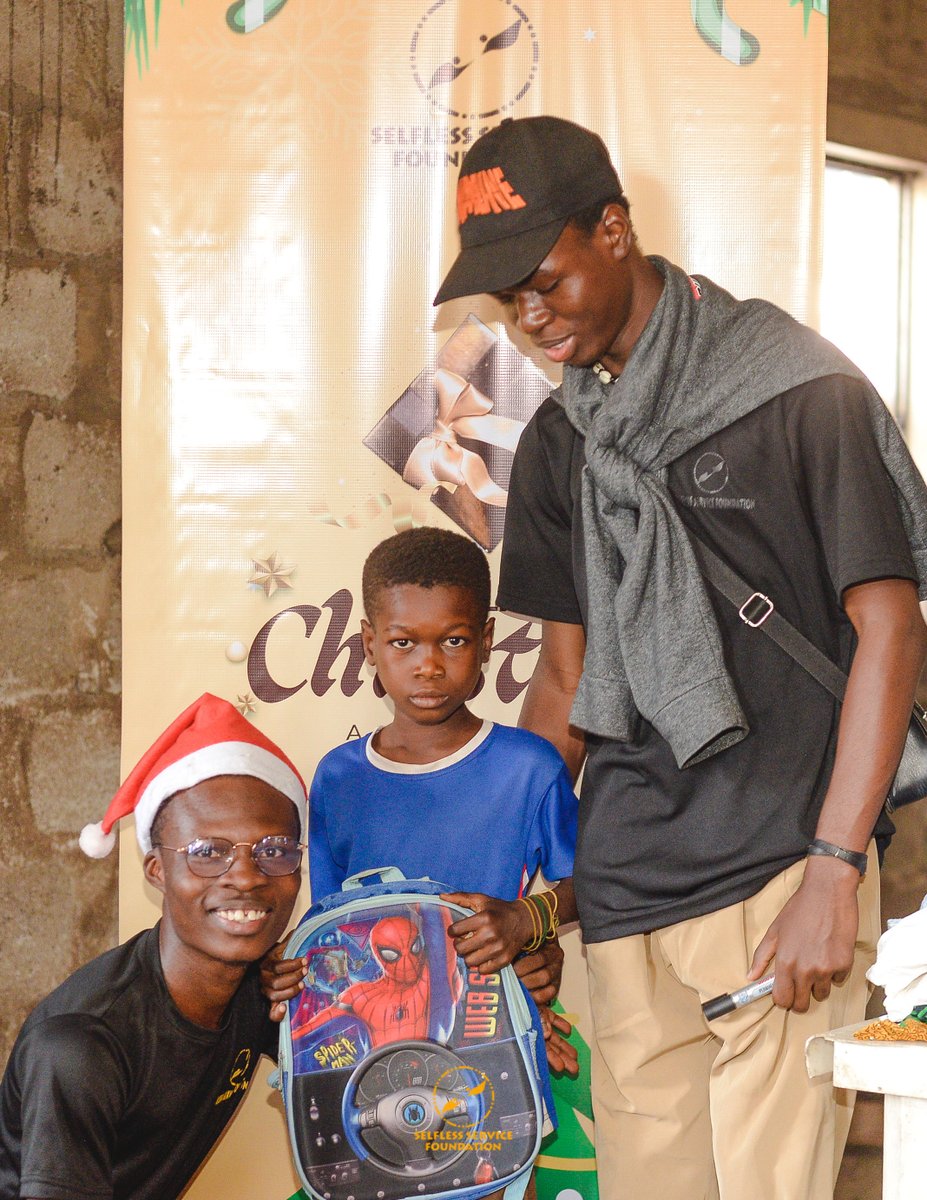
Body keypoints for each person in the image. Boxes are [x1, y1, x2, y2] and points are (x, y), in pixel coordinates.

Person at [433, 115, 927, 1200]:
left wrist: (836, 872)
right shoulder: (564, 444)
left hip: (778, 874)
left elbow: (892, 629)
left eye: (543, 278)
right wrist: (524, 889)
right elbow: (564, 679)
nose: (527, 315)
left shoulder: (796, 387)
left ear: (612, 228)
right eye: (504, 297)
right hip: (626, 896)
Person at [269, 526, 580, 1073]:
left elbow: (591, 883)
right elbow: (336, 922)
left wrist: (530, 924)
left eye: (453, 641)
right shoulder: (338, 778)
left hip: (491, 1032)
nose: (429, 665)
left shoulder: (528, 767)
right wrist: (290, 967)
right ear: (369, 645)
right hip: (373, 1050)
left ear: (486, 642)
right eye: (403, 642)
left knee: (489, 1158)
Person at [0, 693, 307, 1200]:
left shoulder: (261, 989)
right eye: (208, 853)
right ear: (157, 871)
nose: (247, 879)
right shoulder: (81, 1047)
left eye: (274, 851)